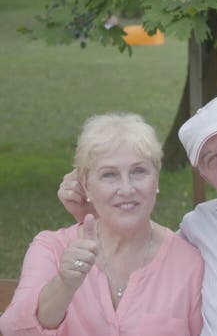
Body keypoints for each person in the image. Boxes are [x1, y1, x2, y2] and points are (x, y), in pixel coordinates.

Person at [56, 97, 217, 336]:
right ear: (206, 176)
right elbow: (141, 247)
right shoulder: (198, 228)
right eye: (212, 158)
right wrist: (92, 211)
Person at [0, 113, 203, 335]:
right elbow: (12, 330)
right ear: (86, 186)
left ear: (156, 179)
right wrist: (65, 284)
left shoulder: (188, 263)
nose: (126, 189)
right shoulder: (51, 248)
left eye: (139, 171)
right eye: (109, 175)